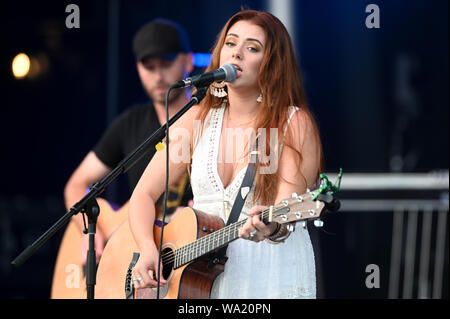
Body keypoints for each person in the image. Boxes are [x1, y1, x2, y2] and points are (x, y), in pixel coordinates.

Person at [129, 10, 324, 298]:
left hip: (269, 273)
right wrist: (147, 248)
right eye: (231, 44)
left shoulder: (292, 123)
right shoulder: (195, 119)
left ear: (273, 64)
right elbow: (142, 195)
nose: (237, 54)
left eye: (252, 48)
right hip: (200, 280)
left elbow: (288, 210)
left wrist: (270, 227)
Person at [63, 18, 194, 265]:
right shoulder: (130, 123)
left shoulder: (209, 121)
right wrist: (89, 232)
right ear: (137, 68)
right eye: (149, 67)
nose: (158, 76)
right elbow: (76, 184)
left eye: (166, 63)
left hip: (187, 253)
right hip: (137, 256)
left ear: (187, 61)